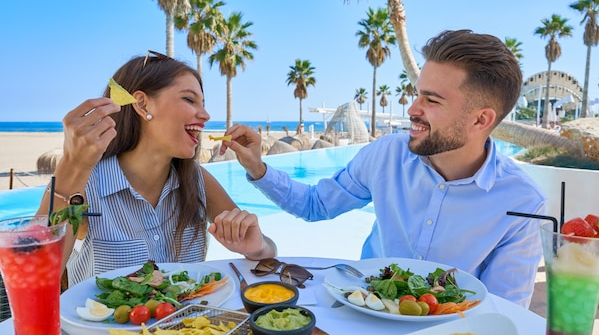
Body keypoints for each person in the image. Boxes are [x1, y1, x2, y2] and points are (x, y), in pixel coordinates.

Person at [220, 30, 546, 308]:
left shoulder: (522, 203)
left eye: (431, 101)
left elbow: (502, 310)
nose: (412, 109)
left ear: (481, 119)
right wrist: (259, 167)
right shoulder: (386, 155)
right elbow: (315, 205)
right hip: (360, 310)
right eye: (417, 94)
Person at [38, 51, 276, 287]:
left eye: (203, 104)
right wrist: (71, 166)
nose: (205, 115)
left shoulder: (197, 180)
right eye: (189, 100)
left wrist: (257, 247)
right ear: (142, 104)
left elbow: (267, 253)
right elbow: (35, 278)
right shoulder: (85, 185)